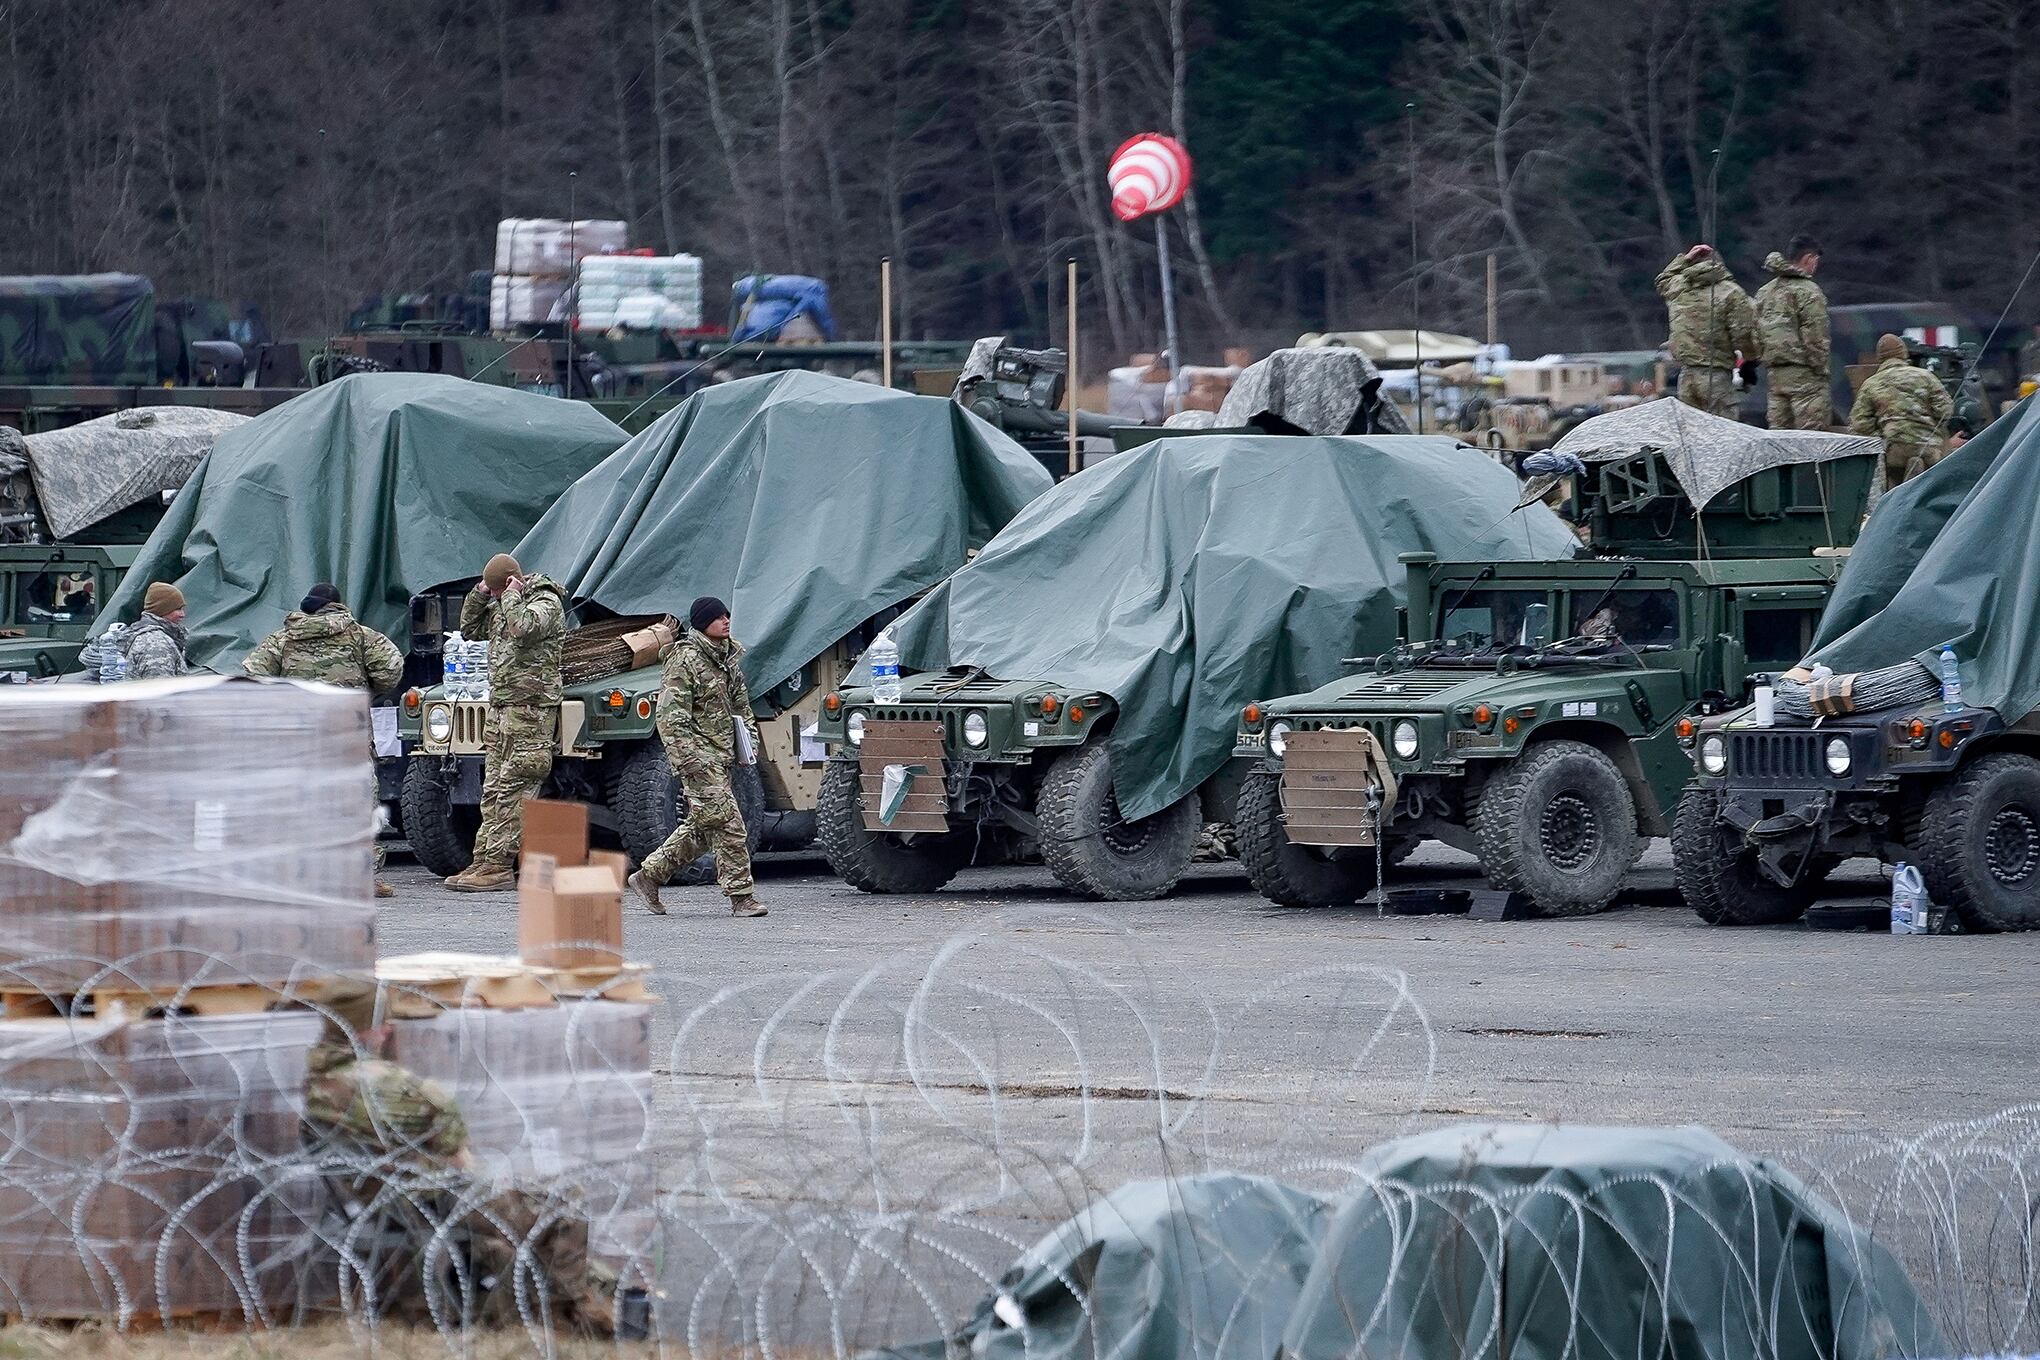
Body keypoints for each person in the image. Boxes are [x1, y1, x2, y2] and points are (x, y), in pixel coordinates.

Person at [302, 980, 616, 1334]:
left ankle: (541, 1304)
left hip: (383, 1201)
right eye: (382, 1021)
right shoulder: (395, 1086)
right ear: (368, 1026)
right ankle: (575, 1310)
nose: (389, 1028)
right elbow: (457, 1154)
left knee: (508, 1231)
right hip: (434, 1200)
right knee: (565, 1201)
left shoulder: (316, 1080)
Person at [245, 583, 405, 897]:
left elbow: (254, 675)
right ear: (337, 605)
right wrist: (366, 690)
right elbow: (391, 668)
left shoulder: (283, 638)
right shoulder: (360, 636)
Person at [626, 596, 767, 918]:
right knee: (729, 824)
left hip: (722, 756)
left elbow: (742, 708)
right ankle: (741, 897)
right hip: (698, 758)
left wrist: (749, 744)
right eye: (718, 617)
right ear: (703, 623)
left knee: (704, 827)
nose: (726, 620)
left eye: (727, 615)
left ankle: (649, 876)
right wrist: (689, 759)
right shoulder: (685, 660)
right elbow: (670, 718)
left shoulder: (727, 659)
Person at [447, 554, 567, 893]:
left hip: (530, 711)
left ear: (513, 582)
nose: (497, 598)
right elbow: (470, 629)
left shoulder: (545, 603)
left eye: (499, 590)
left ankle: (499, 865)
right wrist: (481, 594)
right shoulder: (504, 603)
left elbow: (523, 630)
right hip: (502, 709)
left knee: (516, 788)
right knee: (494, 789)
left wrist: (511, 595)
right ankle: (483, 859)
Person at [1655, 244, 1759, 419]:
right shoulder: (1731, 292)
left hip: (1686, 376)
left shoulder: (1678, 287)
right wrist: (1750, 361)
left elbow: (1663, 280)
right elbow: (1744, 335)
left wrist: (1685, 259)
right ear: (1720, 265)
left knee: (1690, 430)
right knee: (1723, 430)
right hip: (1717, 375)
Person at [1850, 333, 1954, 490]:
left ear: (1880, 358)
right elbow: (1945, 410)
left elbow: (1859, 423)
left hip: (1894, 451)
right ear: (1903, 353)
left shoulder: (1871, 384)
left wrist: (1881, 434)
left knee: (1892, 483)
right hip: (1929, 448)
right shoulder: (1926, 376)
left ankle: (1899, 490)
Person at [1754, 234, 1831, 430]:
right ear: (1808, 258)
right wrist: (1820, 368)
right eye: (1816, 260)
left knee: (1779, 436)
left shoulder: (1765, 292)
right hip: (1805, 375)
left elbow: (1755, 332)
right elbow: (1815, 336)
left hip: (1775, 376)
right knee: (1811, 436)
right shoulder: (1809, 291)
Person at [124, 582, 192, 678]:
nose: (182, 615)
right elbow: (159, 685)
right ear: (163, 610)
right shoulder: (155, 644)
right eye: (178, 609)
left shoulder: (148, 634)